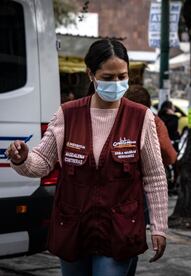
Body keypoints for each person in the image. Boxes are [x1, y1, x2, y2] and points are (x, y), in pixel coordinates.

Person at [6, 39, 168, 276]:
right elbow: (42, 162)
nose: (116, 83)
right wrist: (22, 159)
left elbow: (155, 177)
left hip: (118, 230)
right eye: (108, 77)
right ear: (90, 74)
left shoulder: (140, 117)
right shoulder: (67, 114)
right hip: (73, 227)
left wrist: (159, 227)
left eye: (122, 76)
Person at [124, 85, 176, 276]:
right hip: (140, 193)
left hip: (113, 195)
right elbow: (170, 156)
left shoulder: (113, 119)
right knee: (131, 239)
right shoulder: (153, 121)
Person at [125, 85, 177, 166]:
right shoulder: (154, 121)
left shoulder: (116, 119)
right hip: (146, 172)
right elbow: (168, 153)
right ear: (148, 104)